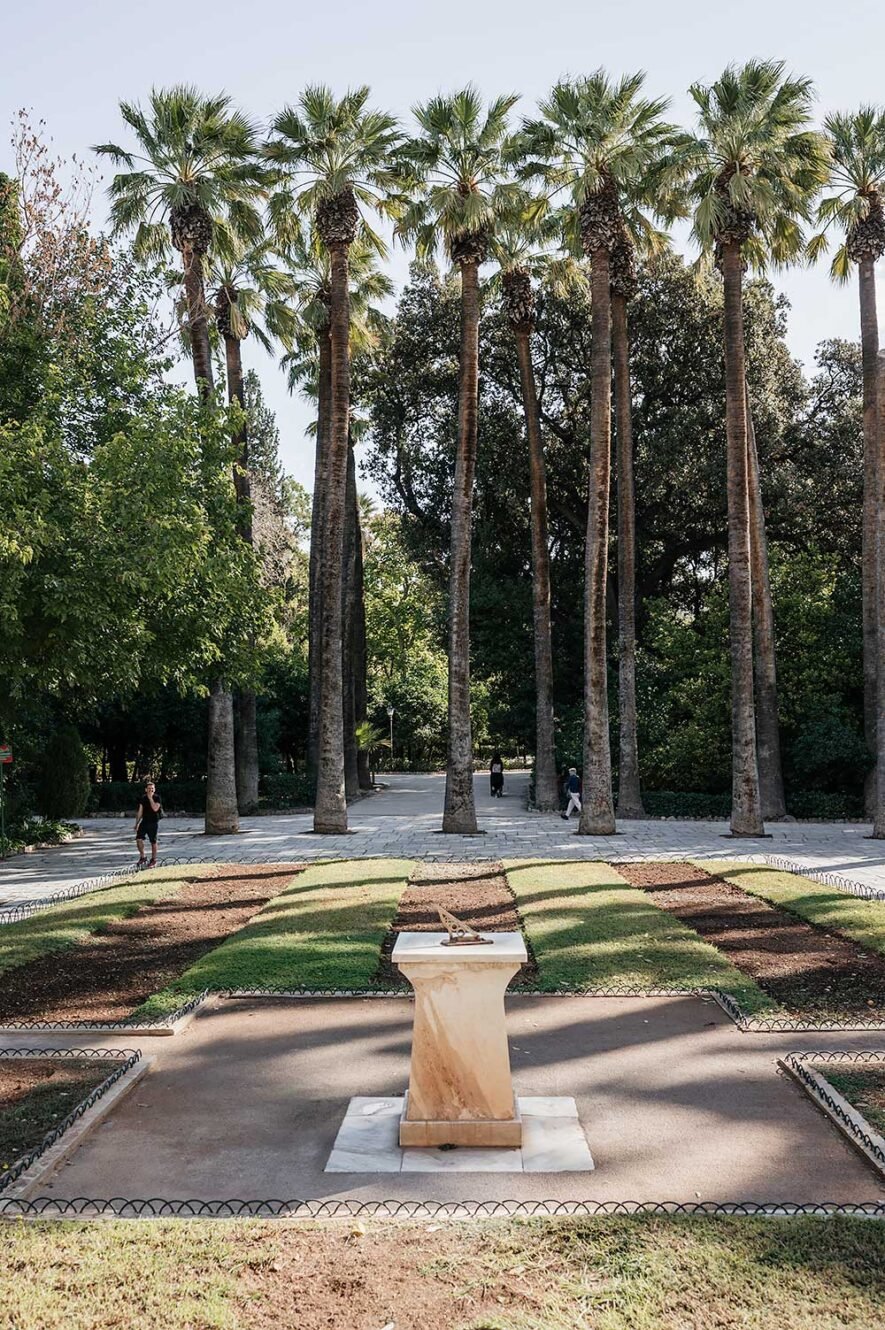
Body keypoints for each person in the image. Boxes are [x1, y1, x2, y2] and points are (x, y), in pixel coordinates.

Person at [135, 779, 162, 867]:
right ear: (146, 789)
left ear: (154, 789)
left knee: (153, 841)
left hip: (153, 822)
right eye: (149, 788)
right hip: (145, 821)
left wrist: (150, 798)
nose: (150, 790)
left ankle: (153, 859)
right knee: (139, 839)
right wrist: (137, 823)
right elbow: (140, 811)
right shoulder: (143, 798)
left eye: (152, 789)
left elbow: (155, 808)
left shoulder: (157, 798)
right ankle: (143, 856)